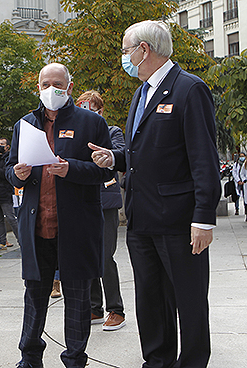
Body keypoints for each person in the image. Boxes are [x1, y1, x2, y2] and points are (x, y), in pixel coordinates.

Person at [90, 20, 220, 368]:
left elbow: (204, 158)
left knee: (188, 300)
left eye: (125, 50)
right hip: (142, 218)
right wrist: (114, 157)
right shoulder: (141, 92)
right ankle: (157, 360)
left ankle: (192, 362)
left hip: (178, 220)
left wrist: (204, 218)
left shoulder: (189, 89)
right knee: (150, 298)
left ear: (143, 49)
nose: (124, 57)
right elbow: (143, 152)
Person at [5, 62, 113, 368]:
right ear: (37, 87)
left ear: (70, 86)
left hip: (76, 227)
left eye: (58, 84)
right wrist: (17, 173)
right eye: (45, 84)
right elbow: (9, 170)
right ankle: (29, 357)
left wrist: (71, 168)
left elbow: (103, 170)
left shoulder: (91, 123)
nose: (51, 90)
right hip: (37, 225)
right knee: (34, 296)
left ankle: (75, 359)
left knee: (78, 299)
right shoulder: (25, 124)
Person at [76, 90, 127, 331]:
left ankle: (116, 309)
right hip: (83, 201)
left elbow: (118, 154)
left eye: (92, 109)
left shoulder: (112, 131)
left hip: (105, 201)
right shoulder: (75, 133)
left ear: (100, 111)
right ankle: (95, 307)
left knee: (105, 255)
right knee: (88, 256)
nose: (87, 114)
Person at [232, 152, 246, 217]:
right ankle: (237, 209)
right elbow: (234, 173)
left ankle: (245, 209)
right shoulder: (236, 164)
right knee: (237, 196)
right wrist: (238, 180)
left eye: (243, 156)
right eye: (241, 156)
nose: (242, 158)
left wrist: (243, 180)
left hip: (245, 183)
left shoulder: (245, 164)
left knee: (245, 196)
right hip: (238, 182)